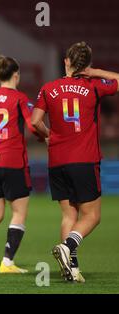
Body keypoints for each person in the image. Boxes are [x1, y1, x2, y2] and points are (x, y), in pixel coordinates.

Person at [31, 42, 119, 282]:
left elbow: (35, 121)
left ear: (66, 62)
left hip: (57, 160)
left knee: (69, 216)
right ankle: (68, 246)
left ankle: (72, 268)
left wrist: (48, 136)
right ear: (87, 64)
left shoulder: (48, 88)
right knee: (92, 216)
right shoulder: (94, 86)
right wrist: (98, 72)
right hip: (84, 159)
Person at [0, 55, 47, 274]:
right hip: (13, 162)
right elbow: (34, 125)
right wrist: (46, 136)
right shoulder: (20, 98)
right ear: (17, 75)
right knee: (19, 212)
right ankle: (7, 263)